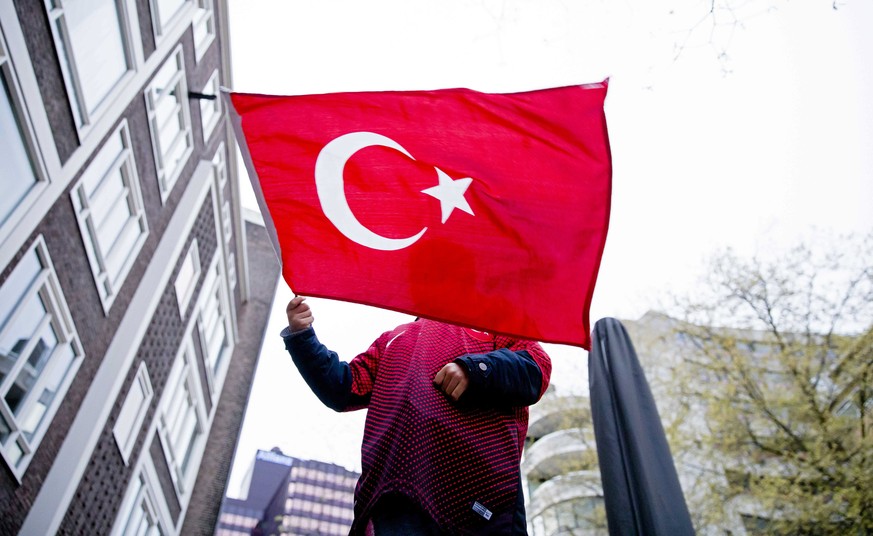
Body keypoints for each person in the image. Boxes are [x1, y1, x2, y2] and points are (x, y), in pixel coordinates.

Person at [282, 296, 552, 535]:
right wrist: (302, 335)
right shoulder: (393, 339)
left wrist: (476, 369)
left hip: (475, 505)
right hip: (393, 499)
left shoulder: (495, 325)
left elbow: (536, 367)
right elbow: (342, 388)